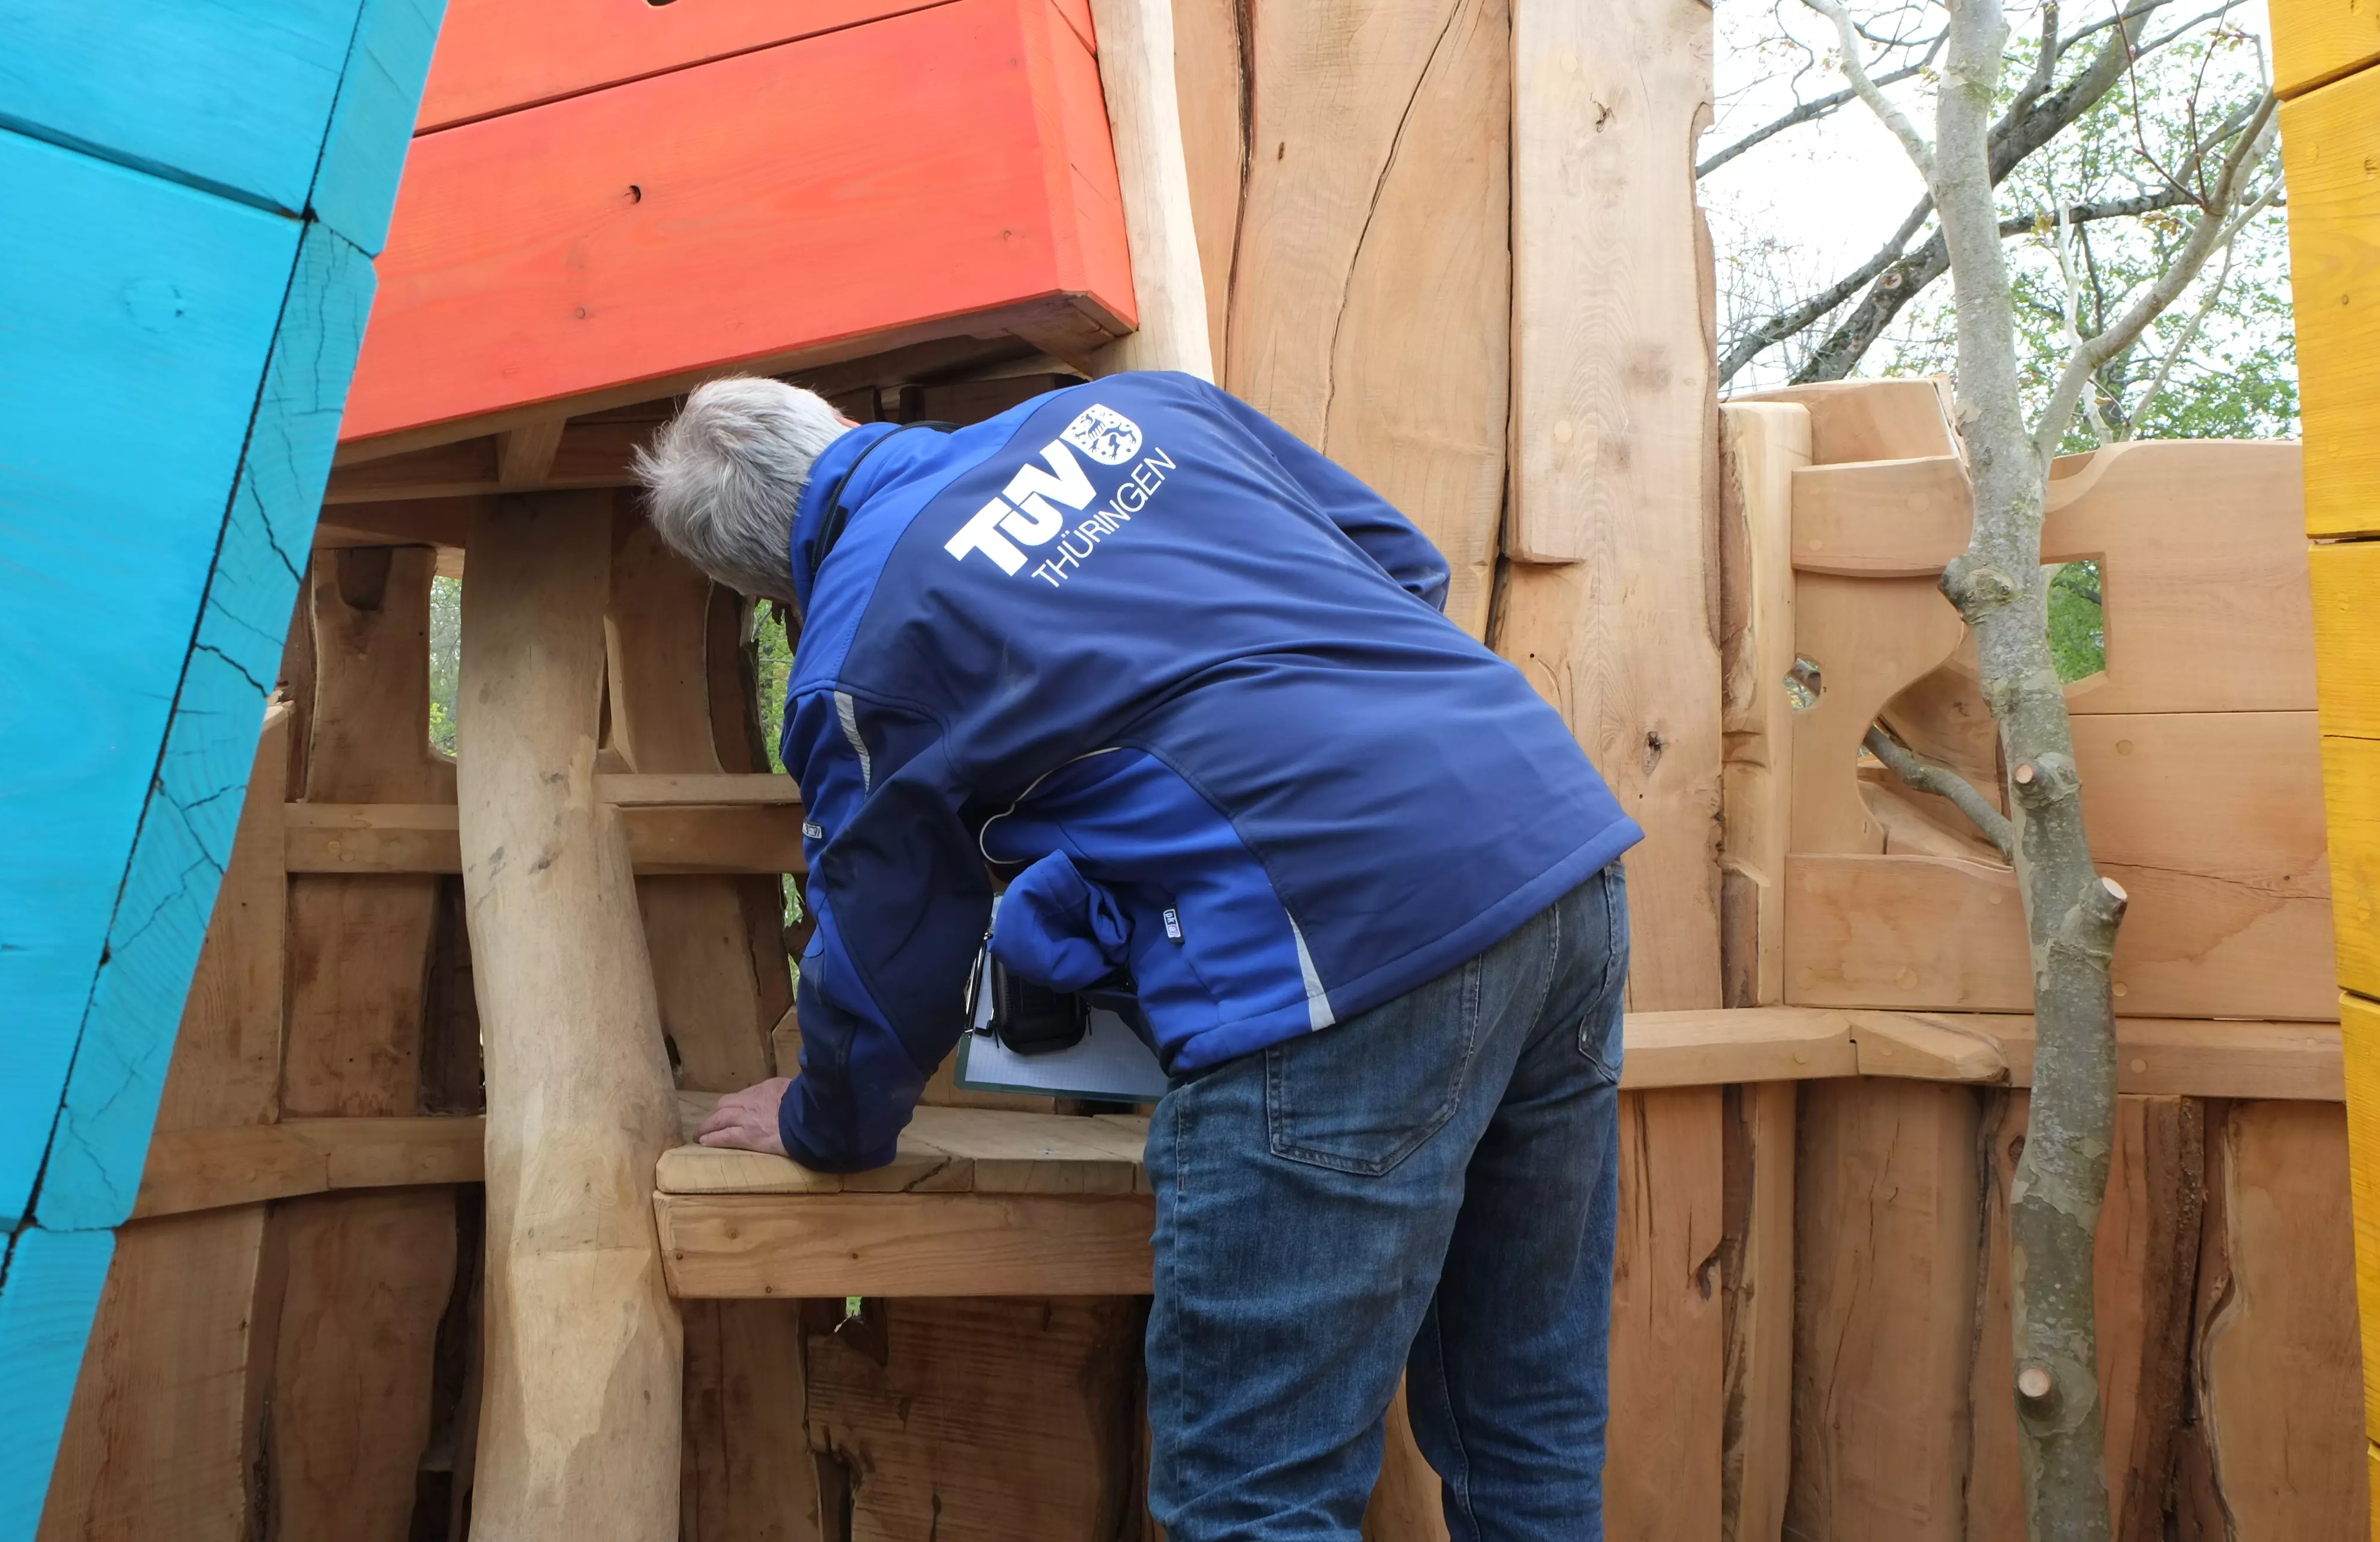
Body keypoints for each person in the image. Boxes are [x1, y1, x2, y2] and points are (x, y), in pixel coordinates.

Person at [635, 371, 1640, 1541]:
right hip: (1556, 849)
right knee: (1524, 1425)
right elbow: (1400, 565)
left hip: (1333, 939)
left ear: (764, 587)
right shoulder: (1138, 410)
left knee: (1254, 1496)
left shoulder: (858, 650)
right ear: (844, 426)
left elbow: (885, 947)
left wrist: (828, 1123)